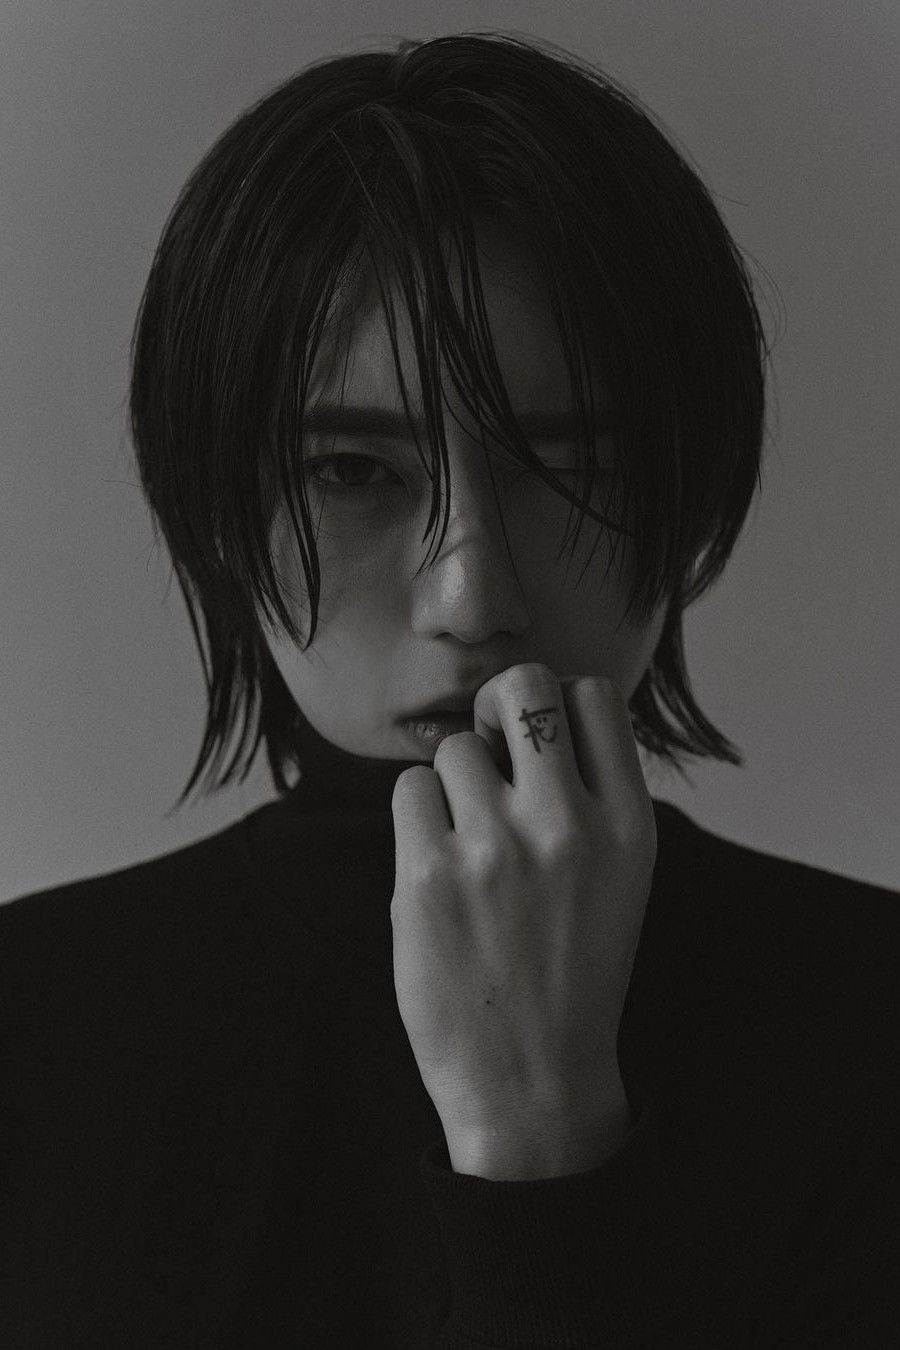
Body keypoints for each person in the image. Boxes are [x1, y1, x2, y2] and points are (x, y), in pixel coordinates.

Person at [2, 31, 897, 1348]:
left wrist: (544, 1136)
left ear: (691, 493)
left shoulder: (873, 1020)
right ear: (218, 517)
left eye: (570, 464)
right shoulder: (30, 1028)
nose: (472, 598)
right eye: (352, 471)